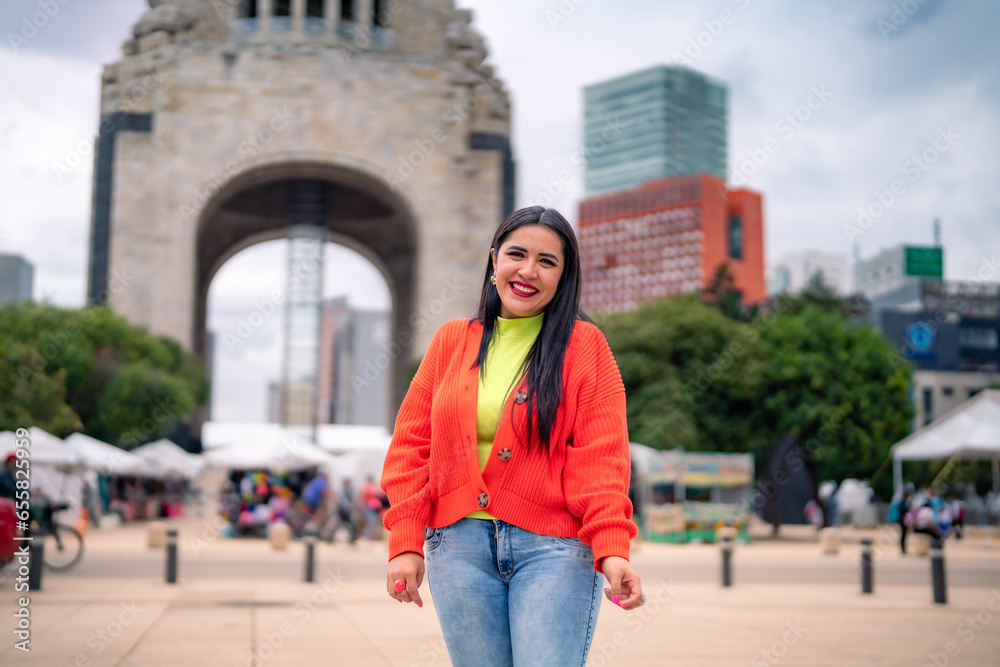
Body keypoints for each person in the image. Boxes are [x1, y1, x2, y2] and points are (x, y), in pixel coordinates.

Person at [381, 206, 643, 666]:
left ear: (565, 275)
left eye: (547, 261)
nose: (527, 271)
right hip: (457, 547)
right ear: (493, 260)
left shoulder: (586, 347)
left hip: (554, 550)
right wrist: (405, 542)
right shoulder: (450, 341)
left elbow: (602, 460)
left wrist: (612, 548)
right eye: (516, 255)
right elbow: (410, 447)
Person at [361, 474, 387, 540]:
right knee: (371, 522)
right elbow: (362, 497)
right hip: (367, 507)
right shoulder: (366, 487)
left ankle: (369, 538)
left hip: (373, 508)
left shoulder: (373, 487)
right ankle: (367, 538)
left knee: (372, 522)